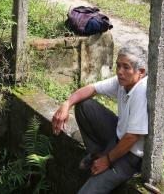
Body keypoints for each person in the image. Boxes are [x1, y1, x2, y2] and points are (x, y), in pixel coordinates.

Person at [52, 45, 148, 194]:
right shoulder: (124, 81)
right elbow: (92, 88)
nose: (119, 72)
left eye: (126, 67)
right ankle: (97, 153)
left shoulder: (141, 91)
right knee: (84, 106)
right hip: (118, 137)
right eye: (118, 65)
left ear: (140, 72)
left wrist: (107, 160)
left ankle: (104, 157)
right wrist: (67, 104)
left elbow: (132, 137)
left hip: (131, 155)